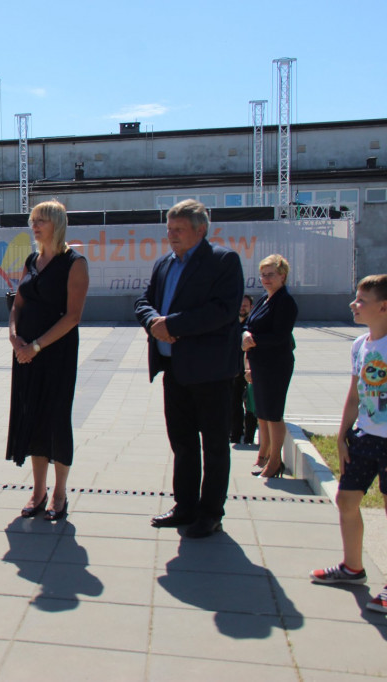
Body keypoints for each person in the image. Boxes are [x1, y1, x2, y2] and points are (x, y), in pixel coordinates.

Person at [134, 199, 243, 539]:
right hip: (174, 369)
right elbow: (143, 300)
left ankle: (211, 513)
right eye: (169, 230)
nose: (172, 236)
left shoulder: (223, 261)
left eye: (178, 230)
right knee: (181, 442)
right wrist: (153, 320)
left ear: (201, 230)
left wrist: (174, 325)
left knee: (213, 445)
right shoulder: (164, 263)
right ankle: (185, 507)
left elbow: (223, 310)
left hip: (210, 372)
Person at [6, 200, 89, 521]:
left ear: (57, 223)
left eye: (41, 220)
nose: (35, 226)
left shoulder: (75, 263)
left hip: (55, 355)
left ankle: (59, 493)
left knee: (56, 420)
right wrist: (14, 337)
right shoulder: (31, 260)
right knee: (33, 418)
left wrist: (36, 346)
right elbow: (18, 304)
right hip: (25, 355)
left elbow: (72, 317)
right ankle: (38, 491)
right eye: (32, 221)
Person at [309, 275, 387, 611]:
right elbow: (355, 395)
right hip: (365, 437)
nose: (353, 305)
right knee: (346, 500)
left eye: (361, 300)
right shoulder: (360, 345)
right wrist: (342, 436)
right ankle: (352, 568)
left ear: (383, 307)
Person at [242, 254, 298, 479]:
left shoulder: (285, 301)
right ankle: (265, 456)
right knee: (263, 412)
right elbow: (247, 323)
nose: (265, 279)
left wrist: (252, 339)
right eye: (263, 275)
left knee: (274, 413)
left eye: (270, 274)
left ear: (282, 275)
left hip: (275, 364)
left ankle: (275, 462)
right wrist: (245, 333)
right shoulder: (264, 299)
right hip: (259, 363)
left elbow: (280, 335)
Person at [229, 294, 256, 446]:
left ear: (251, 308)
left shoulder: (252, 324)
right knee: (234, 403)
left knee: (251, 406)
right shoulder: (230, 324)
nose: (242, 307)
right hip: (233, 371)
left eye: (246, 305)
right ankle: (235, 434)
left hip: (249, 371)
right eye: (240, 305)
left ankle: (249, 437)